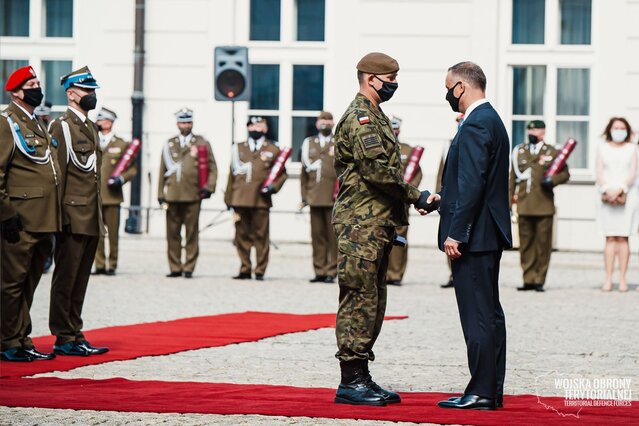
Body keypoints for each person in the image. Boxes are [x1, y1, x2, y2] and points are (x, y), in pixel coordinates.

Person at [332, 52, 432, 406]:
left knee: (373, 299)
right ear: (370, 79)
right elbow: (377, 173)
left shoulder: (376, 116)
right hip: (361, 224)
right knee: (359, 298)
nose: (394, 84)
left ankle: (361, 376)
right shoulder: (361, 119)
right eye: (389, 78)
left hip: (375, 223)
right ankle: (351, 381)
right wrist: (416, 195)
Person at [420, 61, 511, 410]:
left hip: (475, 236)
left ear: (461, 86)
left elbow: (473, 183)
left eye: (448, 87)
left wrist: (457, 232)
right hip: (486, 230)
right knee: (488, 313)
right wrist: (444, 200)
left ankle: (482, 392)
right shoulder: (490, 119)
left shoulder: (475, 124)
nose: (447, 94)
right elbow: (475, 182)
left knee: (477, 316)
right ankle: (490, 388)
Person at [0, 66, 60, 362]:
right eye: (31, 84)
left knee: (30, 279)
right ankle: (8, 340)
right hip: (20, 217)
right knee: (12, 282)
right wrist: (6, 213)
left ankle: (22, 336)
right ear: (15, 92)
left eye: (38, 83)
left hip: (43, 217)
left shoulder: (35, 122)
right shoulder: (6, 122)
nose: (37, 88)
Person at [48, 66, 109, 356]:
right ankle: (63, 336)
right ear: (72, 94)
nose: (92, 95)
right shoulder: (62, 126)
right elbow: (57, 175)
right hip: (72, 214)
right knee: (67, 277)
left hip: (90, 214)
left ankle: (75, 332)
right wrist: (57, 217)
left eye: (93, 91)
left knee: (81, 278)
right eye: (87, 91)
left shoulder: (89, 126)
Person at [509, 120, 570, 292]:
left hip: (544, 204)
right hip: (524, 203)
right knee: (526, 244)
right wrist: (508, 204)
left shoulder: (553, 151)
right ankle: (528, 278)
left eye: (535, 129)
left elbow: (565, 173)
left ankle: (539, 279)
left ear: (543, 131)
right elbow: (512, 179)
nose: (532, 132)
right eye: (529, 129)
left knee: (543, 244)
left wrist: (553, 180)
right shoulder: (519, 151)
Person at [224, 116, 288, 281]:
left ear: (266, 128)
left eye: (259, 125)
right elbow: (231, 175)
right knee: (241, 236)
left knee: (261, 236)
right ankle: (245, 268)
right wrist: (228, 198)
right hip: (240, 198)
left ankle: (260, 270)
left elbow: (282, 174)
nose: (255, 128)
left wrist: (273, 188)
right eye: (252, 125)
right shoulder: (238, 148)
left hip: (261, 200)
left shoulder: (273, 149)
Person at [157, 108, 217, 278]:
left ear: (192, 123)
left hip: (193, 195)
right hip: (173, 195)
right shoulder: (169, 143)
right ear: (177, 124)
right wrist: (160, 194)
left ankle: (189, 266)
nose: (186, 125)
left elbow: (212, 167)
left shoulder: (201, 143)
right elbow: (162, 170)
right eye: (183, 122)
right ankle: (175, 267)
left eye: (188, 122)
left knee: (192, 233)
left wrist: (209, 187)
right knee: (172, 234)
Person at [93, 107, 138, 276]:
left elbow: (132, 169)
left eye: (101, 120)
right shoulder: (92, 140)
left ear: (109, 122)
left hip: (112, 196)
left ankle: (112, 264)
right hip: (94, 196)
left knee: (112, 234)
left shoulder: (122, 144)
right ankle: (99, 264)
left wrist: (122, 179)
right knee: (97, 234)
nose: (98, 123)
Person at [596, 117, 637, 292]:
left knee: (623, 237)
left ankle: (622, 278)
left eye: (622, 128)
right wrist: (608, 189)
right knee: (610, 237)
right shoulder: (602, 148)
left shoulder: (632, 148)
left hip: (627, 195)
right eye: (615, 127)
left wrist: (620, 189)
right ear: (609, 129)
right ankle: (608, 278)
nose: (618, 130)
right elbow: (598, 171)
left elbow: (633, 172)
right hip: (606, 195)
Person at [300, 111, 338, 284]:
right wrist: (304, 196)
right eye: (322, 120)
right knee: (317, 236)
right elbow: (304, 173)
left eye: (329, 120)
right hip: (314, 195)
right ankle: (319, 270)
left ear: (333, 123)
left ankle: (332, 270)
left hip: (333, 197)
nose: (325, 123)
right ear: (316, 123)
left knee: (333, 238)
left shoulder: (339, 142)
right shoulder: (309, 143)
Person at [385, 115, 422, 286]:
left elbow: (416, 174)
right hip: (383, 201)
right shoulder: (380, 147)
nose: (394, 131)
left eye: (396, 128)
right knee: (381, 236)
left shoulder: (407, 150)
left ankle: (396, 273)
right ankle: (383, 272)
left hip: (401, 202)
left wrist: (408, 194)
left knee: (399, 238)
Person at [34, 101, 56, 274]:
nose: (43, 118)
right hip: (36, 189)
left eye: (45, 115)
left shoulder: (53, 130)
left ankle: (48, 259)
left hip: (54, 189)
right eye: (40, 115)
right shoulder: (33, 130)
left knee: (52, 231)